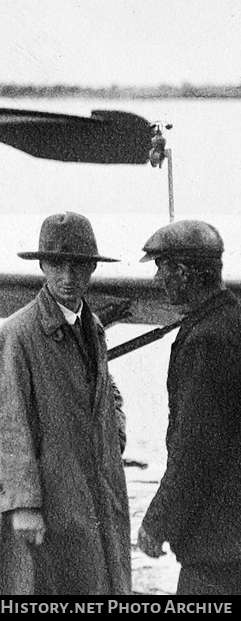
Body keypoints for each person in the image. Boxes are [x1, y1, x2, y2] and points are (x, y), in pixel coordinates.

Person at [0, 211, 131, 594]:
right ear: (43, 267)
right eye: (56, 265)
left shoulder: (91, 328)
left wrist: (114, 434)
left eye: (78, 266)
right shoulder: (16, 336)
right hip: (40, 508)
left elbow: (103, 392)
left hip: (83, 495)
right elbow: (6, 423)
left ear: (92, 270)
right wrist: (22, 505)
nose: (67, 277)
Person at [135, 220, 241, 594]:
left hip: (218, 552)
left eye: (161, 267)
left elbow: (196, 451)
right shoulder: (233, 321)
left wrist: (156, 523)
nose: (157, 279)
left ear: (182, 272)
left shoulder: (206, 340)